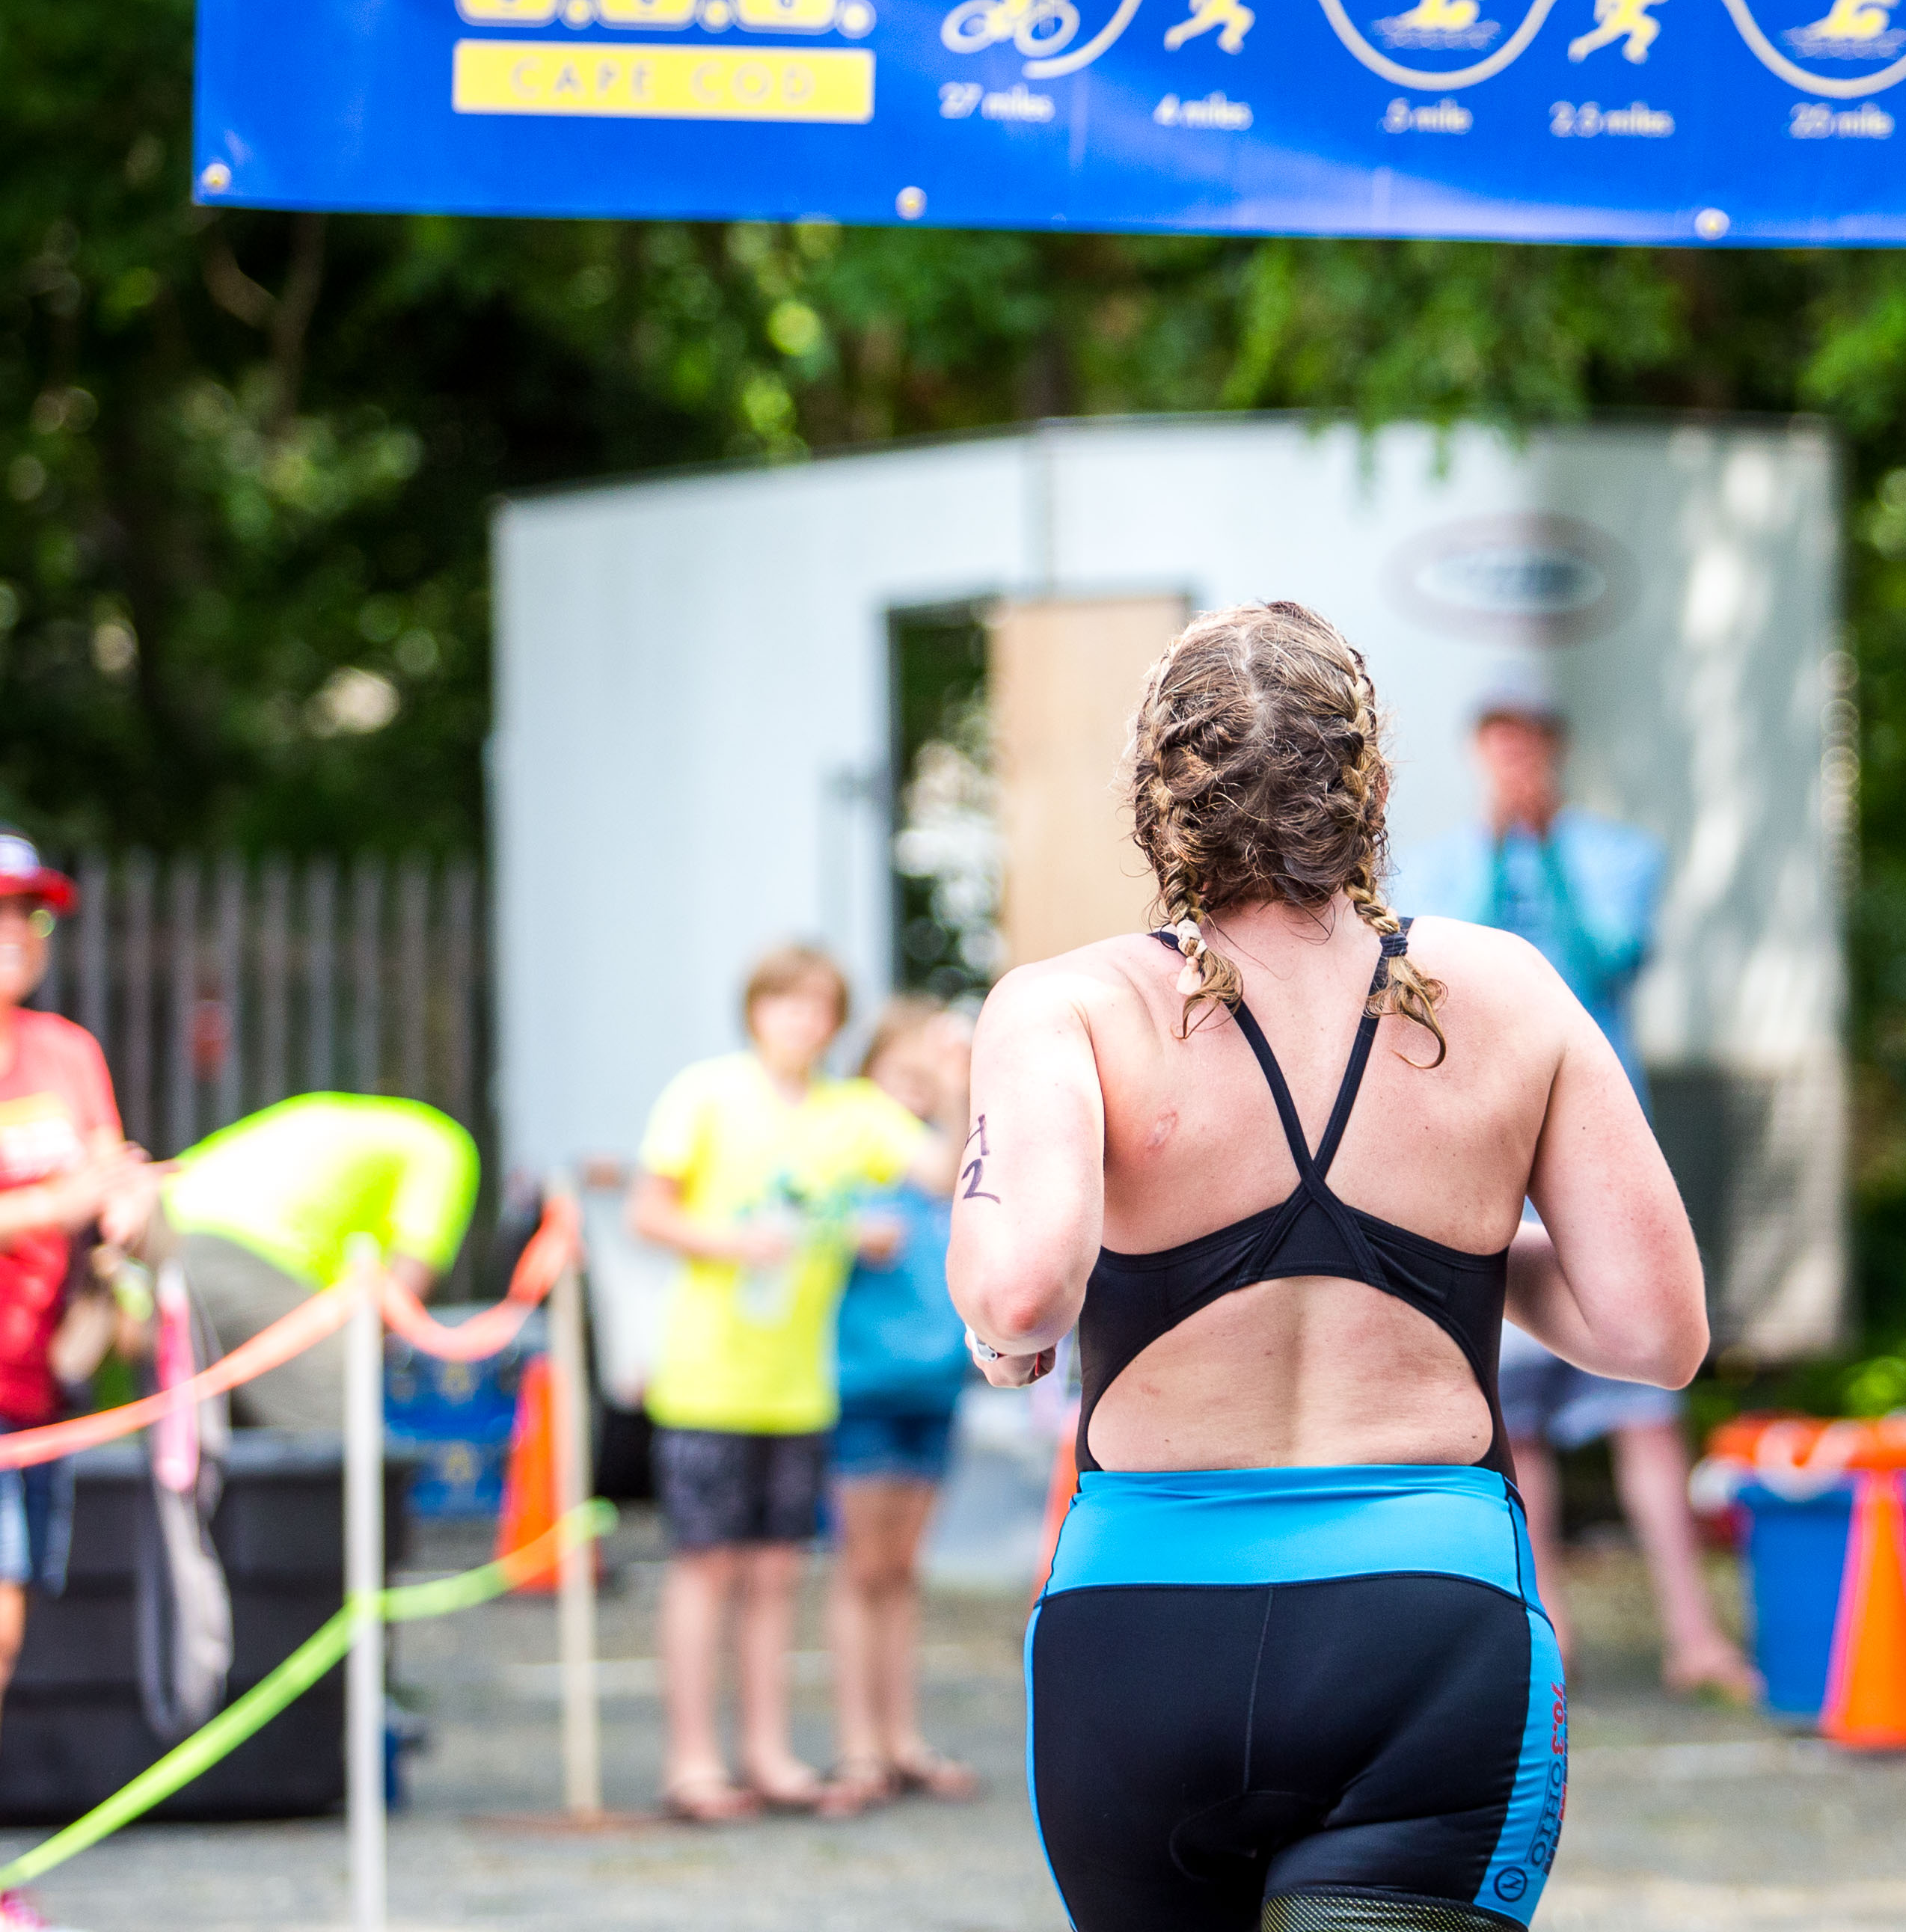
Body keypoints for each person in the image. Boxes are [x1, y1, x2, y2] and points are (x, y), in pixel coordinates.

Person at [954, 601, 1711, 1932]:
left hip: (1140, 1630)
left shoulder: (1069, 1005)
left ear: (1159, 795)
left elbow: (1021, 1294)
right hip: (1424, 1633)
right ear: (1365, 785)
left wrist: (1000, 1323)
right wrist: (1453, 1257)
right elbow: (1653, 1331)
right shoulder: (1507, 990)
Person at [1395, 666, 1757, 1701]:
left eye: (1531, 743)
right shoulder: (1434, 866)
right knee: (1521, 1419)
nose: (1516, 760)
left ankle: (1693, 1633)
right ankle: (1550, 1638)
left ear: (1554, 751)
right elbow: (1438, 971)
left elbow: (1606, 962)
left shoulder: (1615, 858)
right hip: (1488, 1154)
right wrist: (1497, 850)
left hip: (1599, 1151)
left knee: (1643, 1405)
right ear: (1480, 753)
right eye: (1499, 742)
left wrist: (1543, 856)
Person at [628, 942, 952, 1821]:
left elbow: (934, 1168)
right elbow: (647, 1209)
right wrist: (735, 1245)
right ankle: (693, 1762)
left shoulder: (852, 1113)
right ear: (756, 1010)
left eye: (818, 1007)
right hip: (707, 1378)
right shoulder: (705, 1093)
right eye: (785, 1003)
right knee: (704, 1569)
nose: (800, 1021)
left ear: (835, 1022)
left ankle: (768, 1754)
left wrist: (962, 1068)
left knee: (776, 1576)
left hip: (799, 1386)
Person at [0, 819, 159, 1932]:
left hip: (41, 1386)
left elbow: (111, 1187)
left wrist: (134, 1216)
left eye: (28, 911)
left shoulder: (65, 1051)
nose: (13, 930)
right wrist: (55, 1206)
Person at [825, 999, 984, 1806]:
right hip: (858, 1383)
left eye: (930, 1078)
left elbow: (959, 1176)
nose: (916, 1091)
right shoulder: (852, 1147)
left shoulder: (957, 1161)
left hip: (932, 1379)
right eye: (903, 1074)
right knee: (862, 1569)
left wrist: (960, 1087)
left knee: (902, 1569)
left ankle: (900, 1738)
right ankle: (859, 1747)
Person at [159, 1091, 479, 1428]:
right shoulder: (446, 1147)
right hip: (240, 1245)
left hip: (164, 1227)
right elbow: (401, 1287)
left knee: (214, 1431)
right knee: (340, 1421)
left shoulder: (357, 1127)